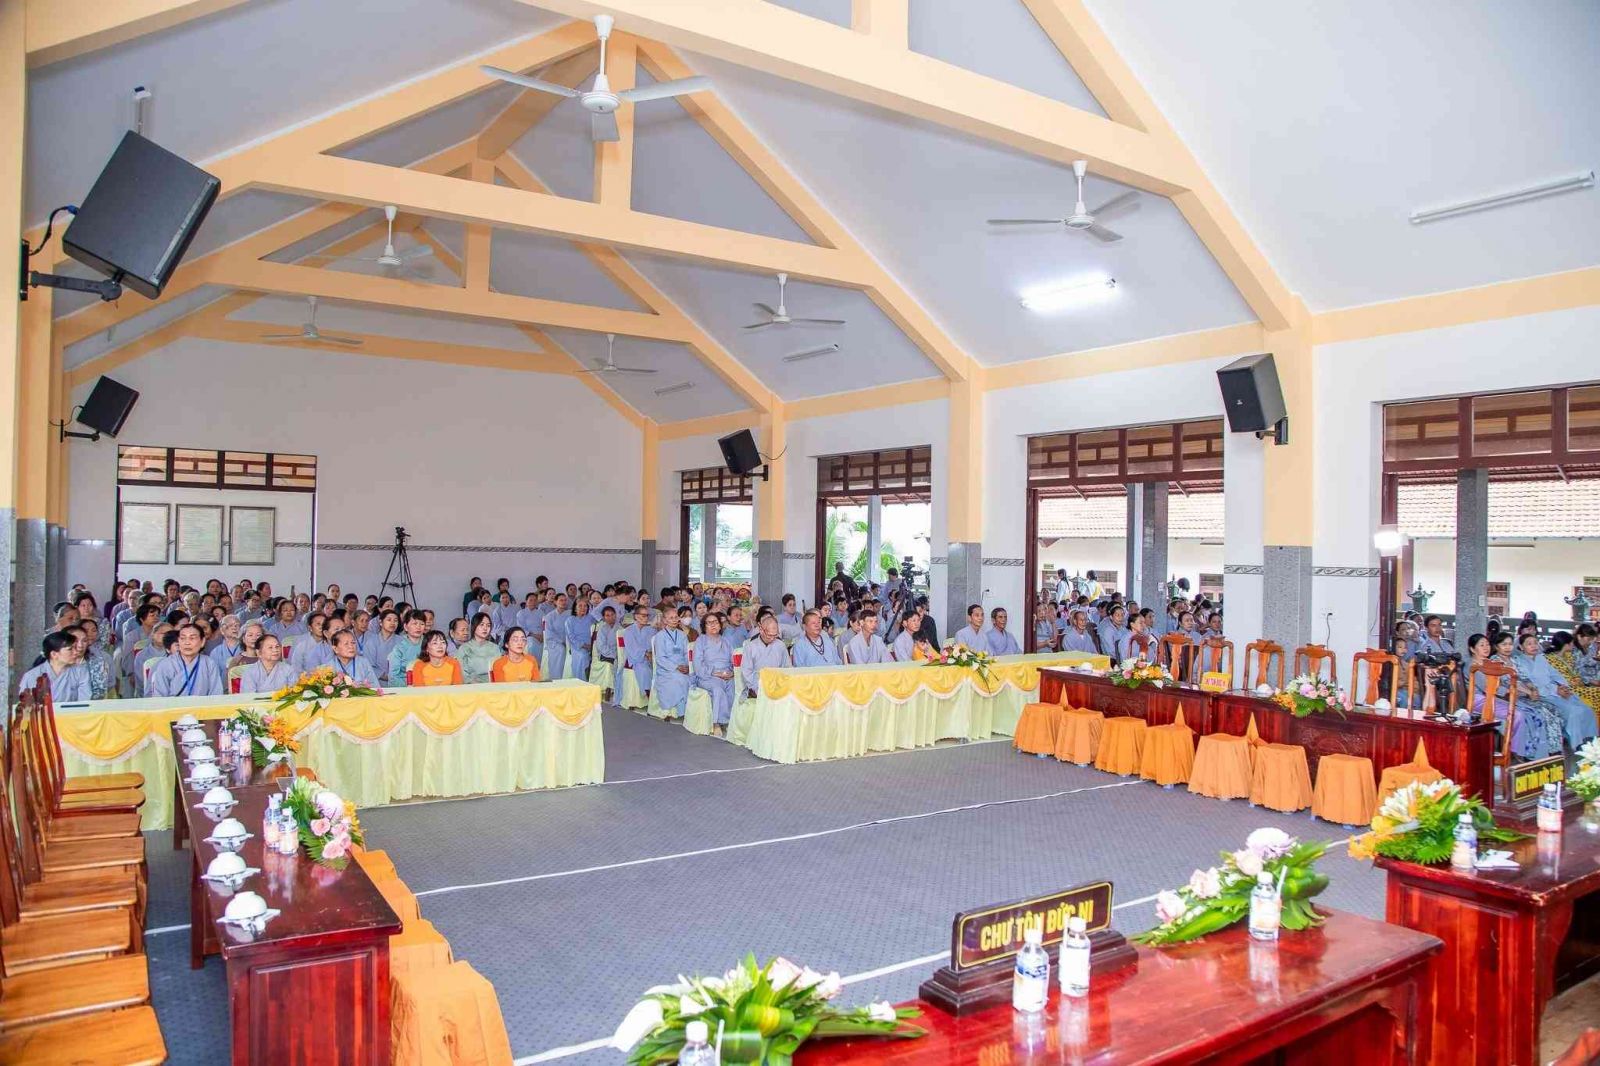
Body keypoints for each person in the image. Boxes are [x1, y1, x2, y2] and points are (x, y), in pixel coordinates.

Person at [1467, 633, 1562, 759]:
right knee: (1519, 714)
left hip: (1495, 698)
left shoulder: (1487, 663)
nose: (1486, 648)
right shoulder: (1473, 666)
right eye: (1481, 645)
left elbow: (1517, 679)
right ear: (1472, 649)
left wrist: (1529, 690)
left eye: (1487, 644)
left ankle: (1538, 751)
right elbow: (1489, 687)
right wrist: (1514, 692)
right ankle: (1516, 750)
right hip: (1481, 700)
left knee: (1532, 712)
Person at [1512, 630, 1597, 748]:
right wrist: (1555, 690)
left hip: (1556, 691)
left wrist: (1563, 686)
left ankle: (1592, 744)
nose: (1534, 646)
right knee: (1574, 711)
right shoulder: (1518, 662)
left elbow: (1556, 675)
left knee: (1587, 709)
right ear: (1521, 647)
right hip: (1541, 694)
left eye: (1535, 643)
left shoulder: (1542, 658)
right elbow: (1528, 683)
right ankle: (1576, 745)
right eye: (1529, 644)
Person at [150, 622, 225, 697]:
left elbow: (216, 694)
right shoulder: (166, 664)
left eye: (192, 638)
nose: (187, 643)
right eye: (183, 638)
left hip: (203, 704)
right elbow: (159, 696)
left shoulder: (209, 664)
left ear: (202, 642)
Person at [693, 612, 737, 736]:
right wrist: (715, 673)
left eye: (716, 622)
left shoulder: (726, 641)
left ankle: (729, 720)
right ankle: (716, 722)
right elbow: (697, 664)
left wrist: (732, 673)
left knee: (733, 687)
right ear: (704, 626)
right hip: (708, 675)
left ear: (720, 625)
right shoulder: (701, 641)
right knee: (718, 689)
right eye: (709, 623)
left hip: (726, 674)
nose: (713, 625)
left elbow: (733, 661)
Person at [18, 632, 92, 702]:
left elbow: (85, 701)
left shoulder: (80, 671)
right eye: (70, 649)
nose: (75, 652)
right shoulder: (32, 675)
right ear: (54, 654)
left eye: (75, 648)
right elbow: (27, 704)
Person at [651, 606, 691, 718]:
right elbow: (660, 658)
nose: (674, 620)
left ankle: (689, 710)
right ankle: (681, 711)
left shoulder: (682, 635)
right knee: (680, 679)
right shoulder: (660, 636)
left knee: (692, 679)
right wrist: (676, 667)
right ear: (665, 620)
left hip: (683, 667)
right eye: (671, 618)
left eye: (676, 617)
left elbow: (686, 653)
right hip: (667, 669)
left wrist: (687, 666)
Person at [741, 614, 791, 698]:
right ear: (761, 630)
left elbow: (787, 667)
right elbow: (746, 672)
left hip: (777, 685)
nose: (772, 638)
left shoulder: (780, 645)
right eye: (769, 635)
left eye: (775, 635)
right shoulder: (750, 646)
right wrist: (757, 687)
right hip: (757, 686)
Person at [387, 612, 428, 688]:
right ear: (405, 627)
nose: (418, 627)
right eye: (414, 623)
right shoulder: (399, 648)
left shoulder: (430, 644)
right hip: (405, 688)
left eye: (422, 624)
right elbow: (393, 677)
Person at [622, 604, 655, 698]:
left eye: (647, 615)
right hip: (636, 659)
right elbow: (632, 649)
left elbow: (655, 644)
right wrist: (646, 653)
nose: (646, 618)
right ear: (636, 616)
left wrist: (651, 653)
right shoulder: (629, 631)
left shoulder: (651, 630)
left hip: (650, 658)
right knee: (644, 670)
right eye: (643, 615)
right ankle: (648, 694)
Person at [457, 613, 501, 684]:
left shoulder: (495, 648)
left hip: (493, 685)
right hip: (472, 686)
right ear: (474, 626)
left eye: (488, 625)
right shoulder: (464, 649)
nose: (485, 628)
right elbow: (461, 673)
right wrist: (473, 683)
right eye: (481, 625)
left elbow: (499, 669)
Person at [566, 598, 597, 683]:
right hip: (578, 646)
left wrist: (593, 645)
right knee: (583, 656)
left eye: (585, 606)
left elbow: (598, 628)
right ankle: (582, 682)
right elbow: (571, 638)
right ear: (575, 608)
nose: (583, 608)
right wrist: (584, 645)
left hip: (593, 645)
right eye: (580, 606)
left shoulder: (591, 618)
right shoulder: (570, 620)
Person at [543, 593, 571, 680]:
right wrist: (562, 642)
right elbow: (549, 633)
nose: (563, 602)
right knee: (560, 650)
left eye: (565, 600)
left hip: (569, 641)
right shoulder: (549, 616)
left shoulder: (571, 614)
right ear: (555, 602)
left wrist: (568, 641)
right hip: (554, 641)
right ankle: (557, 678)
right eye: (561, 600)